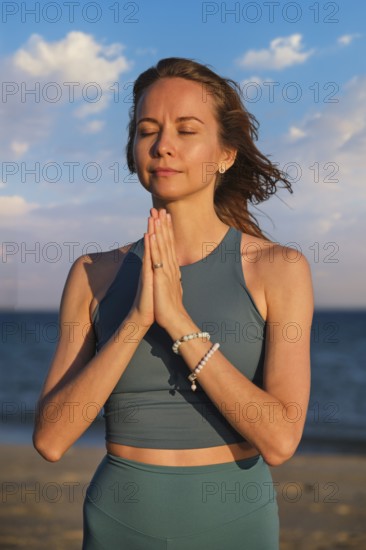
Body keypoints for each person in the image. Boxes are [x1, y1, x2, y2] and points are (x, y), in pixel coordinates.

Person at [33, 57, 314, 549]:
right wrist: (138, 319)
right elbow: (51, 440)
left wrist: (179, 323)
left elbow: (280, 440)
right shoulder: (92, 274)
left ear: (225, 153)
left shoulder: (277, 269)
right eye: (147, 130)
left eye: (186, 130)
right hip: (120, 521)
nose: (163, 145)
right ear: (133, 150)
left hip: (236, 523)